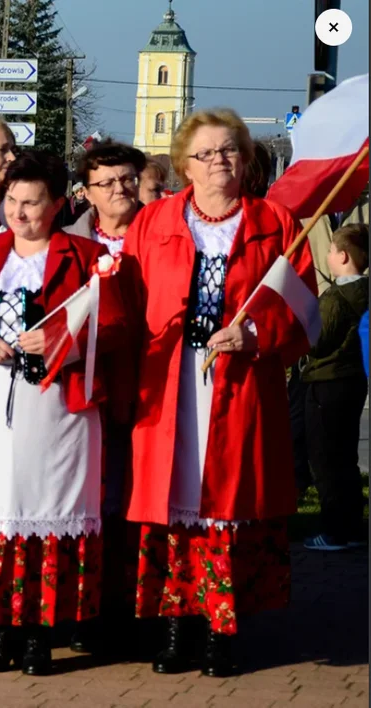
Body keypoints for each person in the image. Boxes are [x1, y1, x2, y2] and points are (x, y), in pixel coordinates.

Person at [123, 109, 315, 677]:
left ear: (246, 158)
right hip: (169, 383)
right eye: (205, 153)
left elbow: (303, 310)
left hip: (239, 385)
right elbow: (129, 304)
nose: (219, 162)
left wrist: (255, 333)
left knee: (225, 506)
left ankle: (220, 633)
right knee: (174, 501)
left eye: (230, 150)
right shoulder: (154, 221)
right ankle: (176, 627)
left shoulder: (276, 222)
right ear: (184, 163)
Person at [0, 151, 125, 676]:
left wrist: (62, 337)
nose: (19, 213)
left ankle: (43, 634)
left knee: (50, 512)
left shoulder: (87, 255)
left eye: (32, 202)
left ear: (59, 204)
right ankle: (0, 632)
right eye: (12, 201)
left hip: (59, 408)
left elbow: (116, 326)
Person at [64, 140, 149, 653]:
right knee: (87, 499)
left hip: (143, 381)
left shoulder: (159, 232)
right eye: (107, 182)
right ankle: (84, 609)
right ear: (87, 191)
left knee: (131, 500)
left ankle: (132, 607)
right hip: (85, 387)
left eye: (126, 179)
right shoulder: (69, 239)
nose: (119, 189)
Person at [301, 223, 368, 551]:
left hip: (326, 382)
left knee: (325, 458)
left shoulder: (335, 297)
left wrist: (303, 321)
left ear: (341, 256)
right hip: (354, 380)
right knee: (346, 457)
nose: (326, 255)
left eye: (329, 250)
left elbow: (317, 342)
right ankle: (353, 526)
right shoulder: (364, 293)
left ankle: (332, 531)